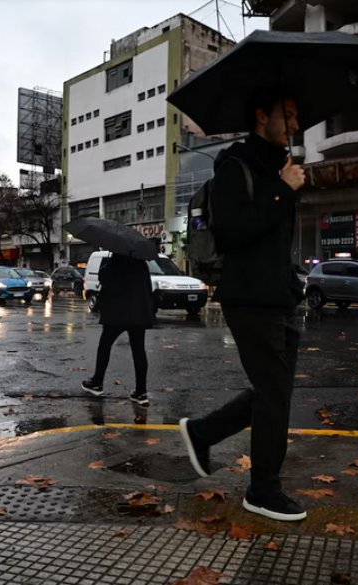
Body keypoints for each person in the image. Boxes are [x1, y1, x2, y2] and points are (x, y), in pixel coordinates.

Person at [179, 92, 308, 522]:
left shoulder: (279, 169)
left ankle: (203, 431)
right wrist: (281, 190)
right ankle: (263, 490)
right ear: (260, 116)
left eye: (294, 116)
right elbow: (234, 232)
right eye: (285, 115)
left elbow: (275, 242)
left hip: (280, 296)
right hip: (248, 298)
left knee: (277, 393)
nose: (292, 123)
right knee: (273, 395)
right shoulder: (234, 167)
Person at [81, 253, 156, 406]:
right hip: (138, 313)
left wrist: (106, 265)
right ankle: (141, 391)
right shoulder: (141, 263)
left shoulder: (116, 261)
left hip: (118, 312)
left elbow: (105, 279)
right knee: (138, 350)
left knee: (105, 345)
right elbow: (147, 287)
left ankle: (97, 381)